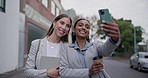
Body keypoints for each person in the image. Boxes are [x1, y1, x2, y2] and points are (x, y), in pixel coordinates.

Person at [24, 14, 72, 78]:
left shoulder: (68, 48)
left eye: (67, 26)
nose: (64, 27)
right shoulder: (36, 44)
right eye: (62, 23)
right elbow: (28, 71)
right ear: (54, 23)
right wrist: (47, 73)